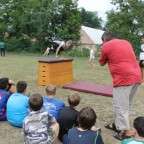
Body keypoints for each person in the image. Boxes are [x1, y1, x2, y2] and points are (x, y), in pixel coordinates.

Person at [99, 31, 141, 140]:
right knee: (127, 104)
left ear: (104, 40)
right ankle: (117, 125)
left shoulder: (106, 46)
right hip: (137, 76)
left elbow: (101, 62)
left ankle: (124, 132)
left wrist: (103, 49)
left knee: (120, 106)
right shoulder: (126, 42)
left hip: (123, 79)